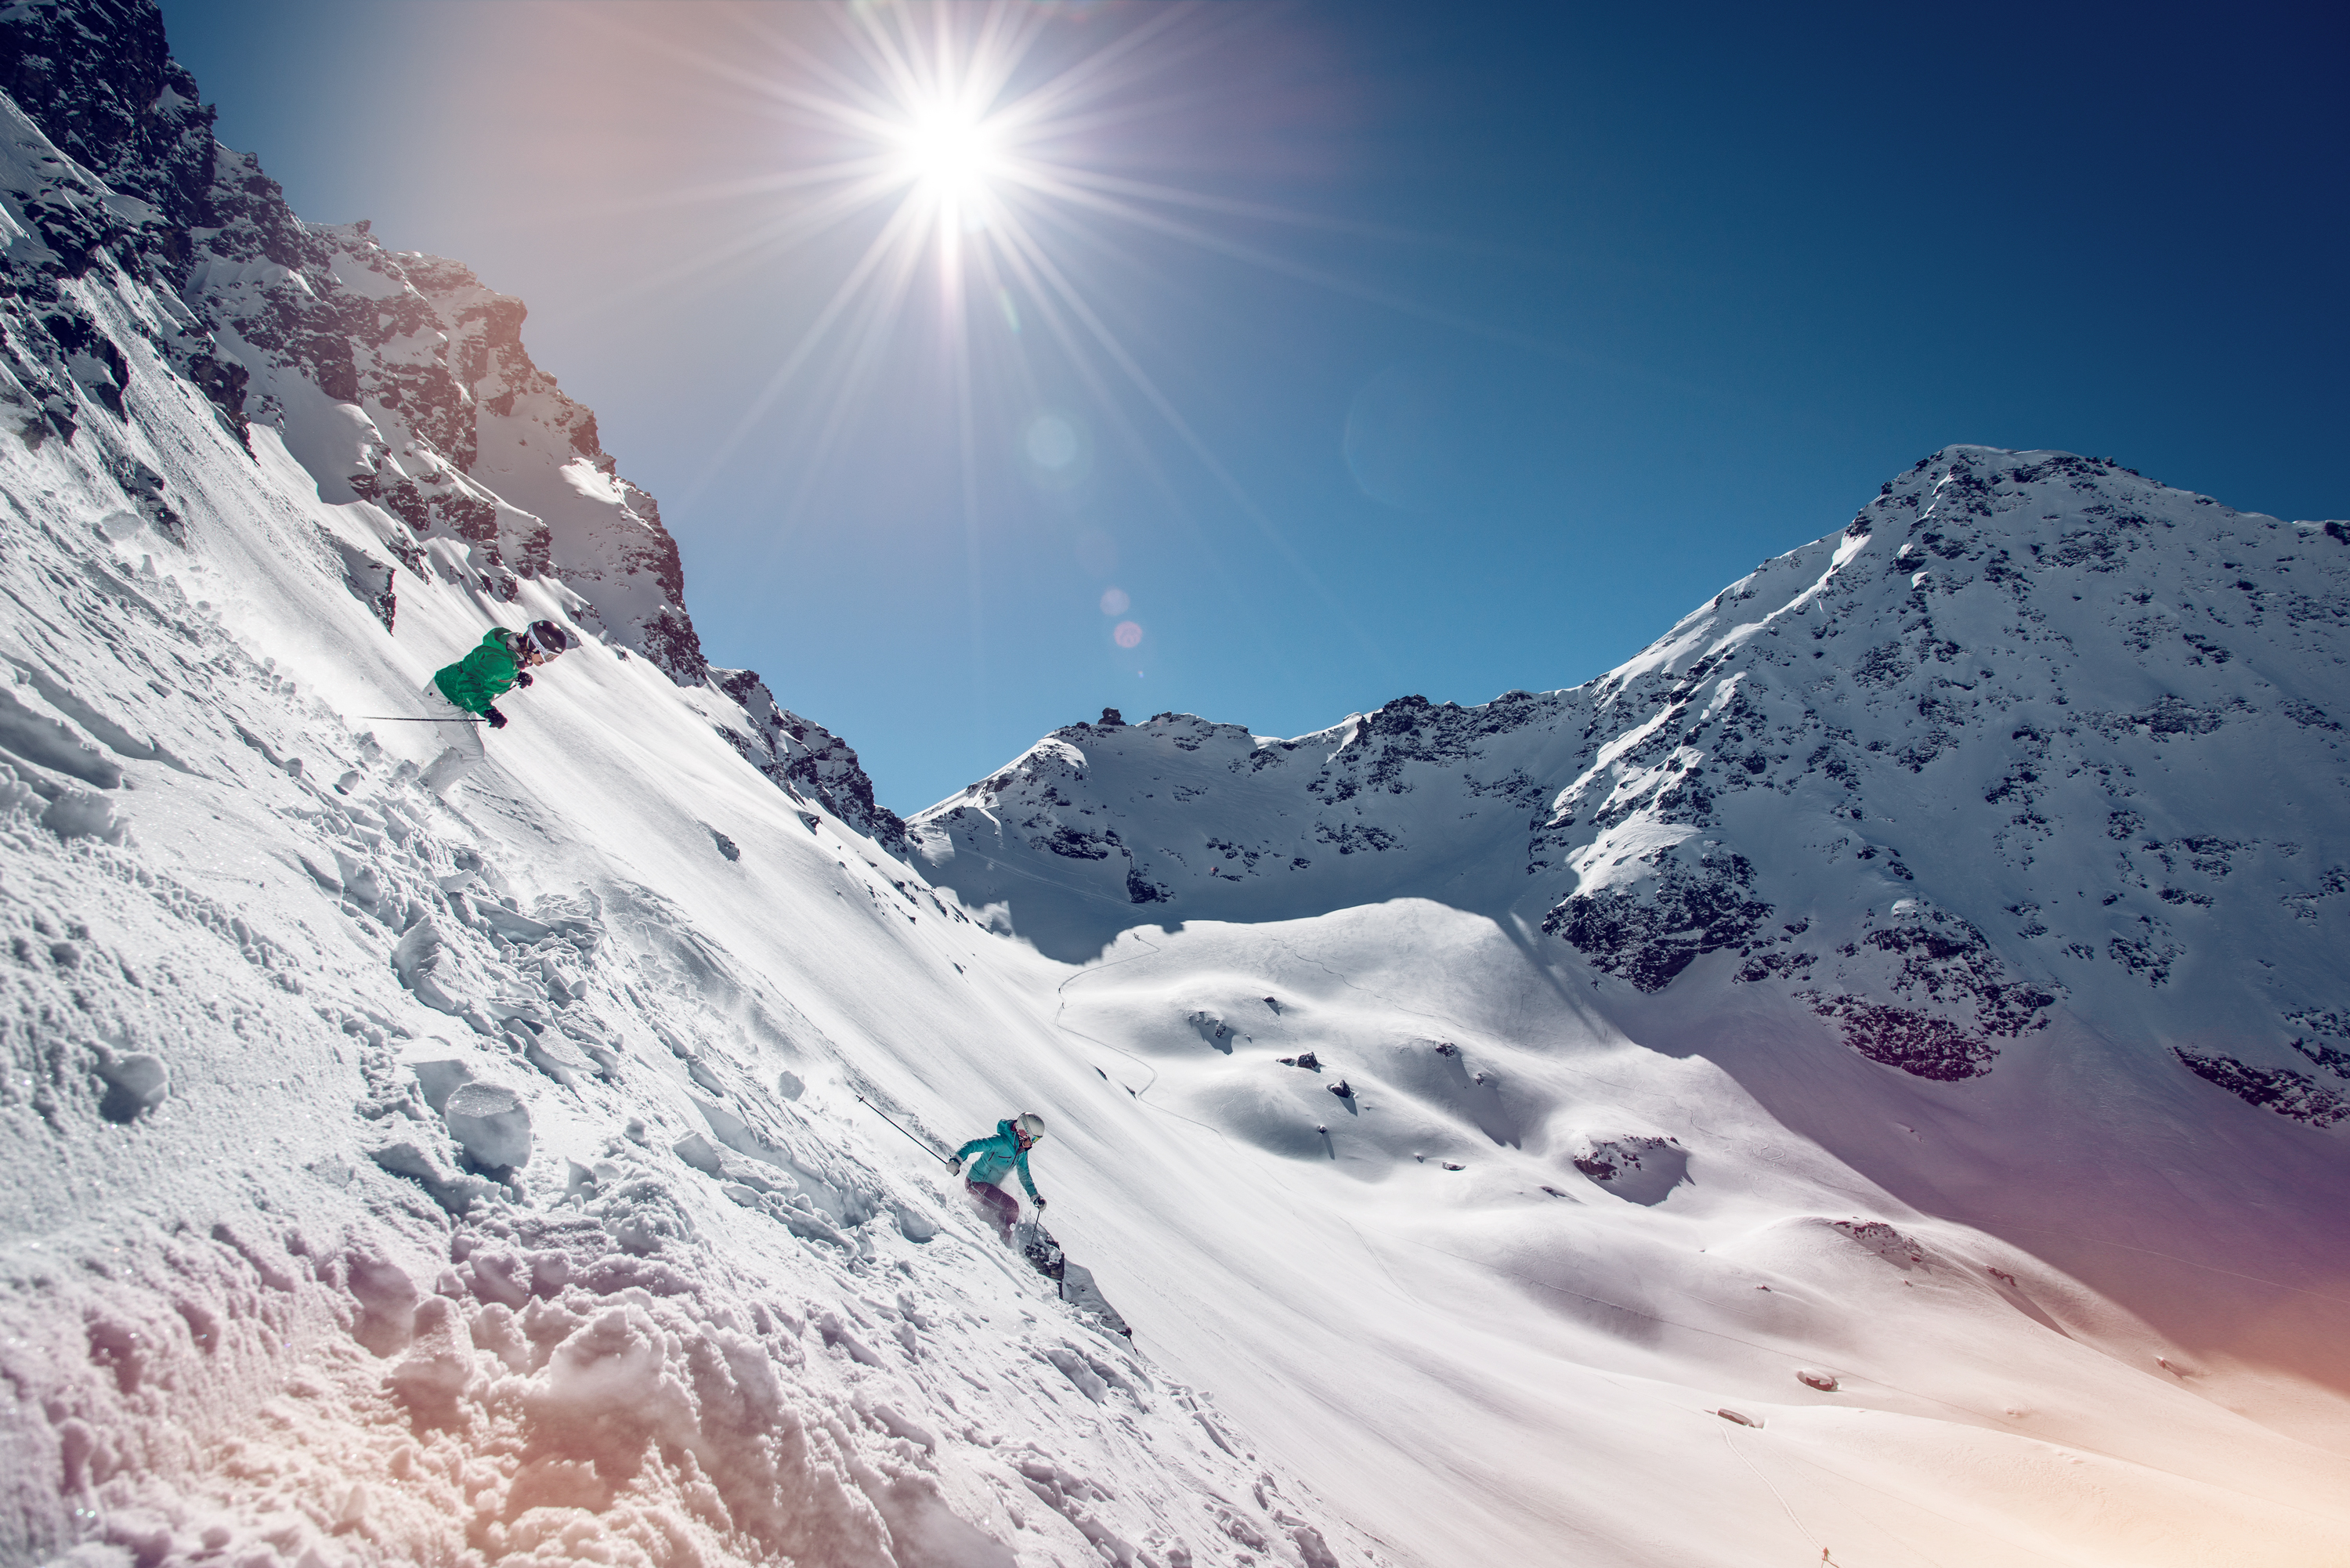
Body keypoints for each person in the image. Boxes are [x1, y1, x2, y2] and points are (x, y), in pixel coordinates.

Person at [418, 620, 573, 794]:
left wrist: (516, 675)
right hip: (446, 699)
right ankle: (426, 788)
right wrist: (489, 711)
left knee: (466, 749)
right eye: (548, 656)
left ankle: (426, 782)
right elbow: (468, 682)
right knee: (472, 753)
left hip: (453, 696)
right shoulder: (504, 662)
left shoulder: (510, 650)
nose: (547, 662)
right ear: (536, 646)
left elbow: (487, 669)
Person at [953, 1112, 1047, 1237]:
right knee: (1011, 1207)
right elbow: (973, 1145)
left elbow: (1024, 1175)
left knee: (1008, 1208)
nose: (1033, 1143)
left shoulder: (1021, 1151)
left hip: (990, 1186)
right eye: (1033, 1138)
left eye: (1037, 1140)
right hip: (975, 1183)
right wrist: (957, 1159)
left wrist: (1035, 1197)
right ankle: (1004, 1241)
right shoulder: (1001, 1142)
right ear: (1023, 1132)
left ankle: (999, 1230)